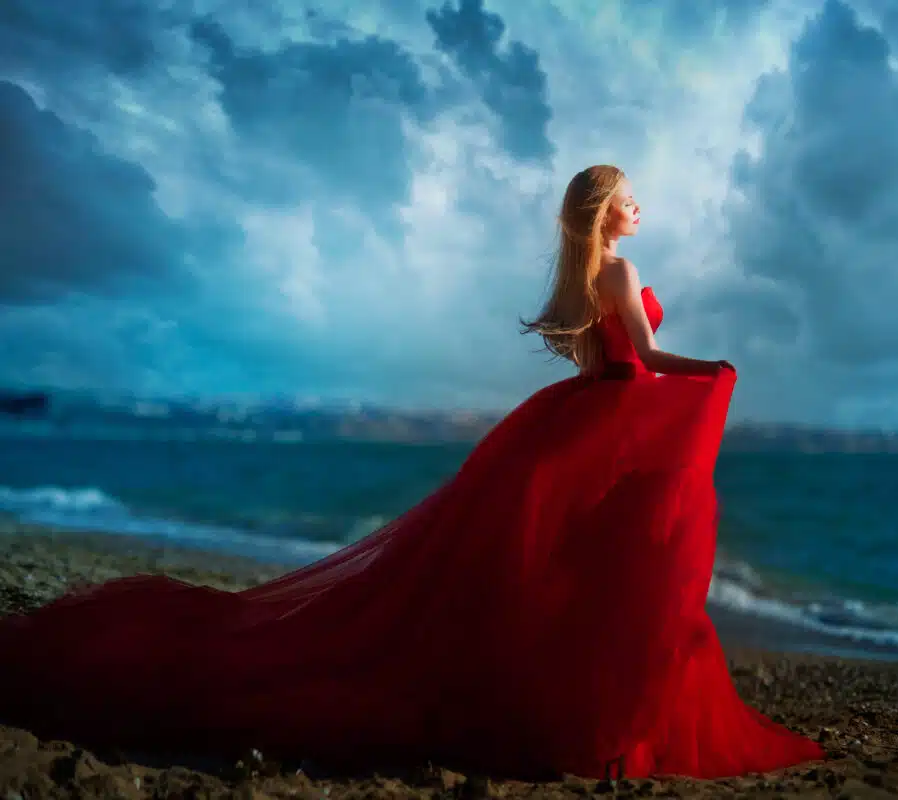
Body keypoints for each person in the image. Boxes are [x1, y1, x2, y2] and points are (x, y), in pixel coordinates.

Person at [0, 165, 825, 780]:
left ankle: (583, 712)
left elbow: (600, 364)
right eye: (629, 196)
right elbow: (641, 358)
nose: (640, 205)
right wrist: (710, 370)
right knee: (615, 568)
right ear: (604, 209)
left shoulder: (583, 274)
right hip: (603, 420)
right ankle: (599, 721)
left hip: (580, 417)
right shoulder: (619, 269)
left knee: (571, 568)